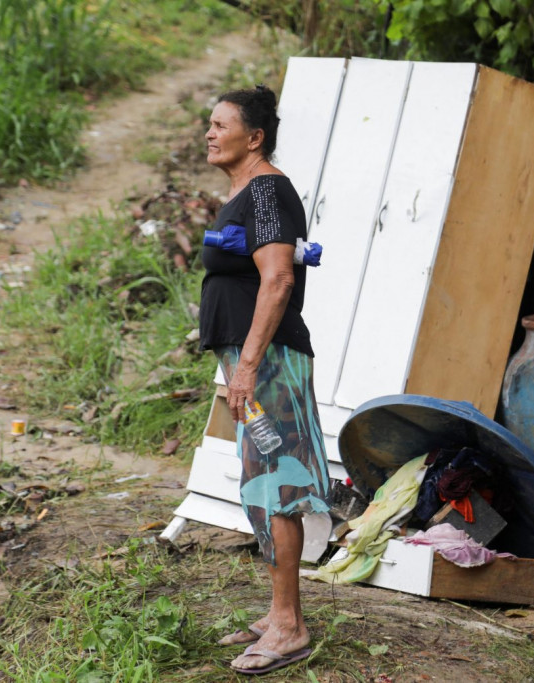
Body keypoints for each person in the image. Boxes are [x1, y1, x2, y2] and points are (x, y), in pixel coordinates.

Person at [199, 85, 331, 676]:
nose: (209, 132)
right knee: (261, 481)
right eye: (209, 123)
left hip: (270, 361)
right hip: (252, 360)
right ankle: (278, 613)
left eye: (221, 124)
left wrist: (248, 365)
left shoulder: (268, 189)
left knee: (279, 483)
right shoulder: (244, 192)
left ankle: (289, 626)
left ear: (254, 137)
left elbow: (277, 280)